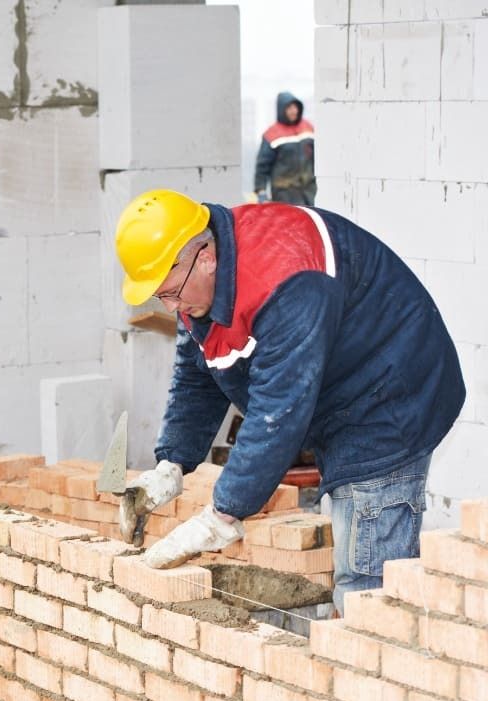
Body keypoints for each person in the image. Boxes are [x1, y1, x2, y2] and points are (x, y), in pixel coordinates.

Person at [114, 189, 465, 612]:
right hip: (337, 385)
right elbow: (198, 370)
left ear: (204, 255)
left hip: (390, 393)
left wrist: (223, 514)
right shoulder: (197, 278)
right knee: (347, 559)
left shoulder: (286, 282)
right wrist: (172, 462)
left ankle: (370, 662)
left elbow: (276, 412)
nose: (172, 306)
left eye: (171, 293)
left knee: (368, 589)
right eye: (161, 298)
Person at [252, 92, 315, 205]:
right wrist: (261, 190)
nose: (294, 110)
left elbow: (317, 157)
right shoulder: (271, 134)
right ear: (282, 109)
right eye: (289, 107)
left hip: (309, 190)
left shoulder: (308, 128)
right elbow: (262, 166)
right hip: (284, 193)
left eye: (295, 107)